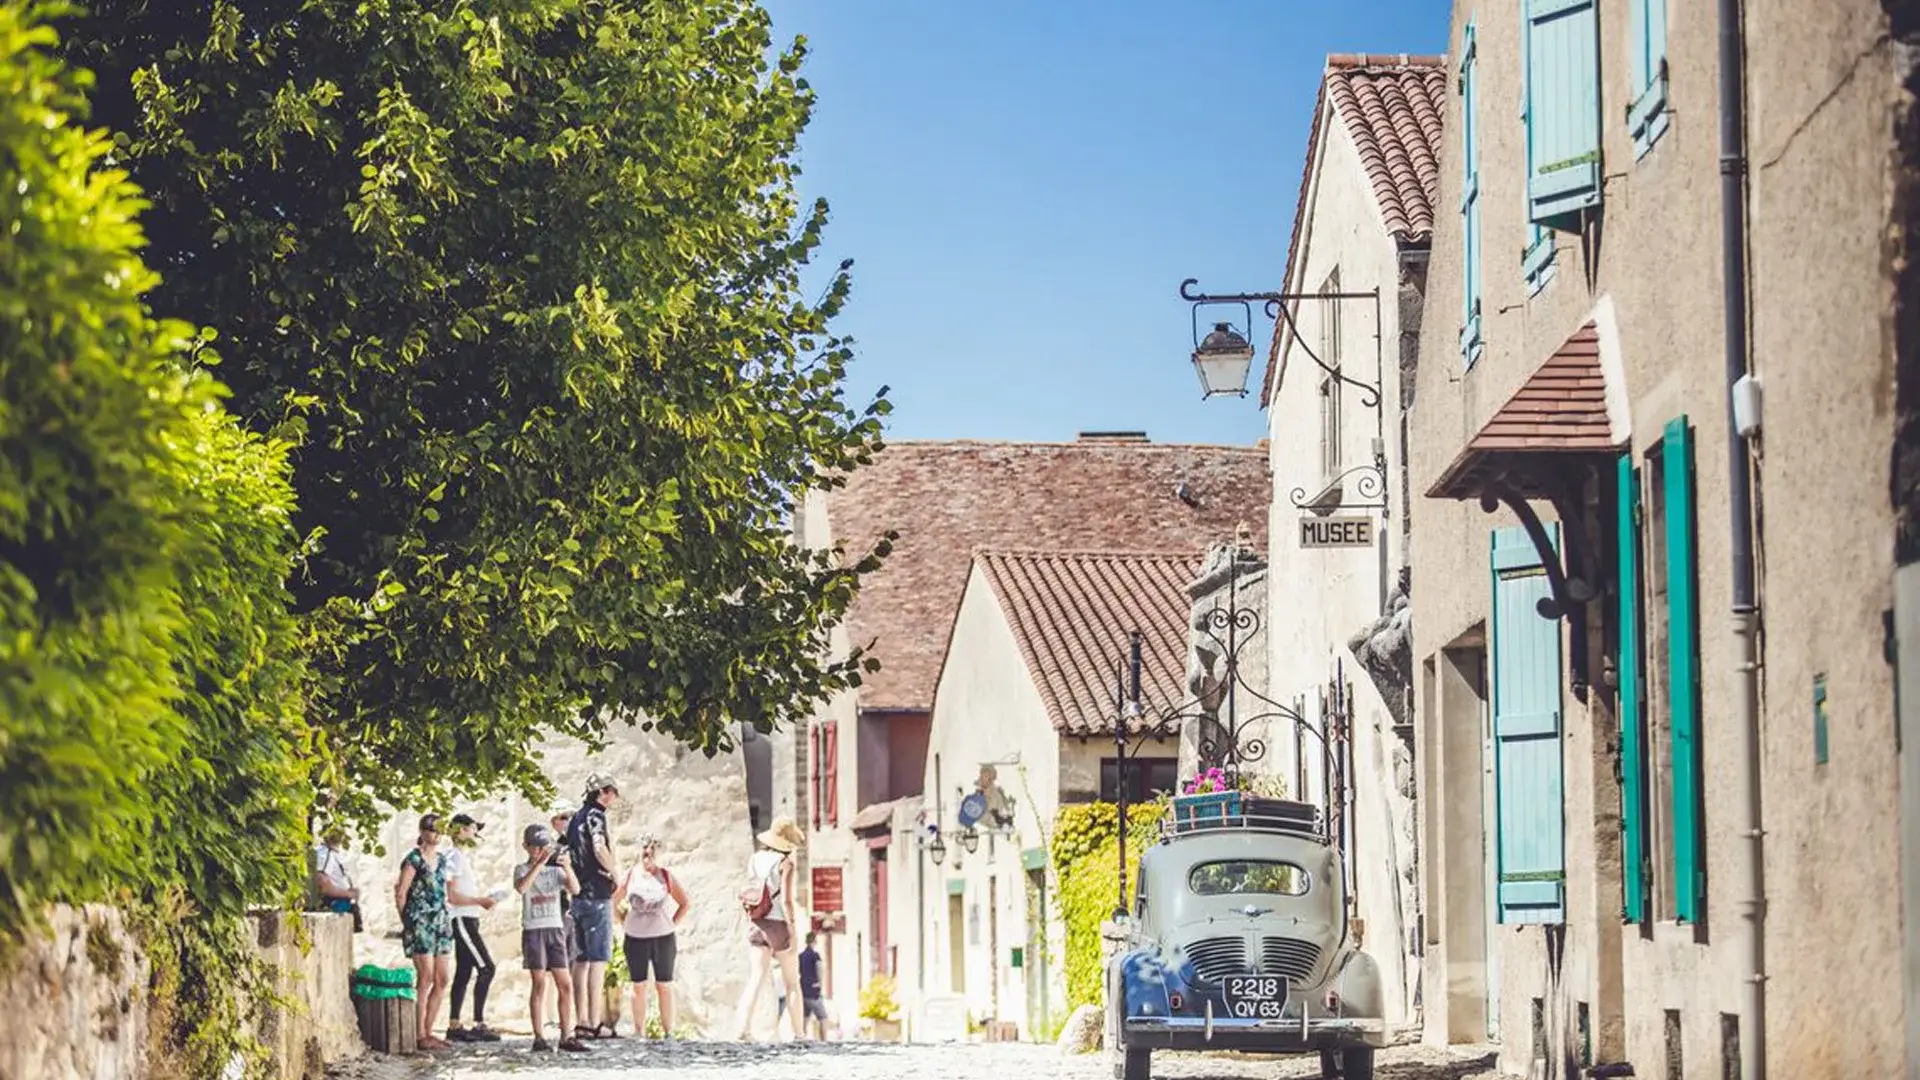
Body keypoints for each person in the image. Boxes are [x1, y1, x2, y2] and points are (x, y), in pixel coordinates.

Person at [514, 825, 590, 1054]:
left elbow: (575, 889)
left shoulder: (555, 872)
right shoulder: (521, 869)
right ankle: (539, 1036)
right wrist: (538, 863)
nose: (540, 851)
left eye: (543, 847)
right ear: (526, 846)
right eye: (535, 847)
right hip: (534, 930)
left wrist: (566, 865)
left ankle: (567, 1035)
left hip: (555, 928)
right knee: (539, 983)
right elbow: (522, 887)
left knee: (565, 984)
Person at [730, 815, 807, 1041]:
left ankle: (743, 1030)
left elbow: (752, 889)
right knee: (792, 981)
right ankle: (800, 1034)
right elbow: (786, 901)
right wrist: (793, 930)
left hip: (756, 922)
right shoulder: (786, 864)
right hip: (777, 925)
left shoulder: (754, 859)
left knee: (756, 978)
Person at [614, 834, 690, 1039]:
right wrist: (623, 921)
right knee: (638, 985)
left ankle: (668, 1032)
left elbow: (685, 903)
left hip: (663, 937)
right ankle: (639, 1032)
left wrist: (671, 923)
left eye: (652, 853)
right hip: (635, 937)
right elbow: (613, 901)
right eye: (645, 852)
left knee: (663, 985)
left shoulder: (665, 876)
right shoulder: (630, 875)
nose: (648, 857)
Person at [565, 774, 621, 1039]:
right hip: (597, 893)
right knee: (598, 960)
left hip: (577, 895)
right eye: (613, 792)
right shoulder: (597, 816)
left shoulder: (575, 818)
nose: (615, 797)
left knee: (581, 960)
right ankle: (594, 1021)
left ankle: (582, 1019)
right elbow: (599, 847)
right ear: (603, 793)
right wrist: (614, 872)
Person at [394, 814, 455, 1051]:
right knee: (426, 977)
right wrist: (408, 922)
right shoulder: (413, 859)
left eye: (440, 830)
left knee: (442, 978)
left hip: (440, 921)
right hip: (420, 922)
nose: (436, 834)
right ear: (422, 831)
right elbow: (401, 893)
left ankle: (429, 1031)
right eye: (431, 829)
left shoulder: (441, 860)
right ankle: (419, 1033)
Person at [443, 813, 502, 1042]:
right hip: (462, 918)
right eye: (472, 829)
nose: (476, 834)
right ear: (461, 831)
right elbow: (452, 895)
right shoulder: (454, 857)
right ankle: (478, 1023)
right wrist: (481, 901)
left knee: (464, 971)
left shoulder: (461, 857)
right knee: (487, 968)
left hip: (468, 917)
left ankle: (454, 1024)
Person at [309, 826, 362, 931]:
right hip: (333, 903)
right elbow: (322, 881)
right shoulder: (325, 854)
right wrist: (348, 894)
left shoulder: (331, 853)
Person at [798, 933, 829, 1040]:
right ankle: (824, 1040)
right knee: (823, 1017)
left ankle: (801, 1037)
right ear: (814, 942)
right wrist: (820, 983)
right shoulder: (815, 955)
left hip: (802, 989)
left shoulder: (800, 956)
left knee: (805, 1017)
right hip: (813, 990)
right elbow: (819, 968)